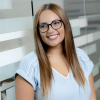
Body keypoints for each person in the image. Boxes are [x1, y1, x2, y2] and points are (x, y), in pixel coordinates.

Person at [15, 3, 96, 100]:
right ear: (38, 31)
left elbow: (92, 97)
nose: (50, 30)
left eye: (56, 23)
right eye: (43, 26)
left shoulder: (81, 57)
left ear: (65, 24)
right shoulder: (29, 65)